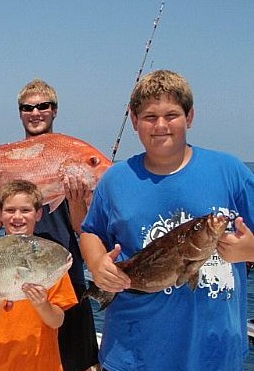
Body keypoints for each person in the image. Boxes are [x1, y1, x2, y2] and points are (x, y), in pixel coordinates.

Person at [80, 69, 254, 370]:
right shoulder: (115, 180)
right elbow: (90, 231)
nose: (161, 125)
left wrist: (250, 250)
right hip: (134, 353)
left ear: (190, 117)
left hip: (215, 353)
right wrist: (98, 265)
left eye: (171, 115)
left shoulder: (230, 170)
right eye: (149, 117)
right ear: (134, 121)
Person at [0, 79, 100, 370]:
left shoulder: (72, 158)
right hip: (18, 276)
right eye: (28, 107)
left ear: (54, 111)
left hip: (65, 276)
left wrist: (78, 197)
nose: (36, 112)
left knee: (76, 362)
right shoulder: (9, 160)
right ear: (20, 112)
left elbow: (84, 228)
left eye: (43, 106)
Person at [0, 179, 78, 371]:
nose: (17, 217)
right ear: (0, 215)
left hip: (43, 364)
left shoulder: (48, 262)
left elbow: (57, 321)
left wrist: (42, 304)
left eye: (25, 210)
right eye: (10, 210)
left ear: (38, 214)